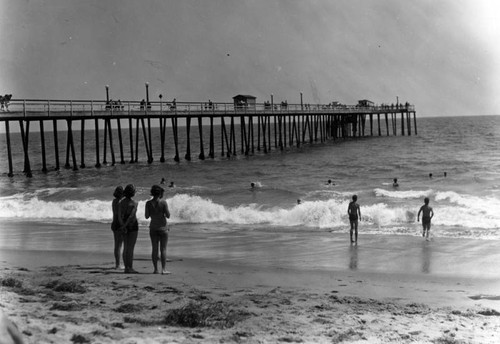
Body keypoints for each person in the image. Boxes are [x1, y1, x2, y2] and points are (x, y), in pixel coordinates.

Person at [145, 185, 171, 274]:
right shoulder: (163, 202)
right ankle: (163, 269)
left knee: (154, 249)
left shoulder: (148, 203)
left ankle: (155, 269)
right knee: (163, 249)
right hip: (163, 228)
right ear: (160, 193)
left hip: (153, 227)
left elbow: (146, 216)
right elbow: (168, 215)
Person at [118, 184, 139, 274]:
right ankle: (129, 267)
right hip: (132, 225)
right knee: (131, 248)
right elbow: (131, 216)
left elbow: (119, 215)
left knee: (125, 247)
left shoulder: (121, 202)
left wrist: (122, 225)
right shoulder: (135, 203)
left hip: (122, 224)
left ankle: (126, 267)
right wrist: (125, 225)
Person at [111, 186, 125, 269]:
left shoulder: (114, 201)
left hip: (114, 223)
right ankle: (118, 264)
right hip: (119, 224)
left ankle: (117, 263)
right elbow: (121, 215)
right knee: (120, 245)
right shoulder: (121, 202)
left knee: (117, 245)